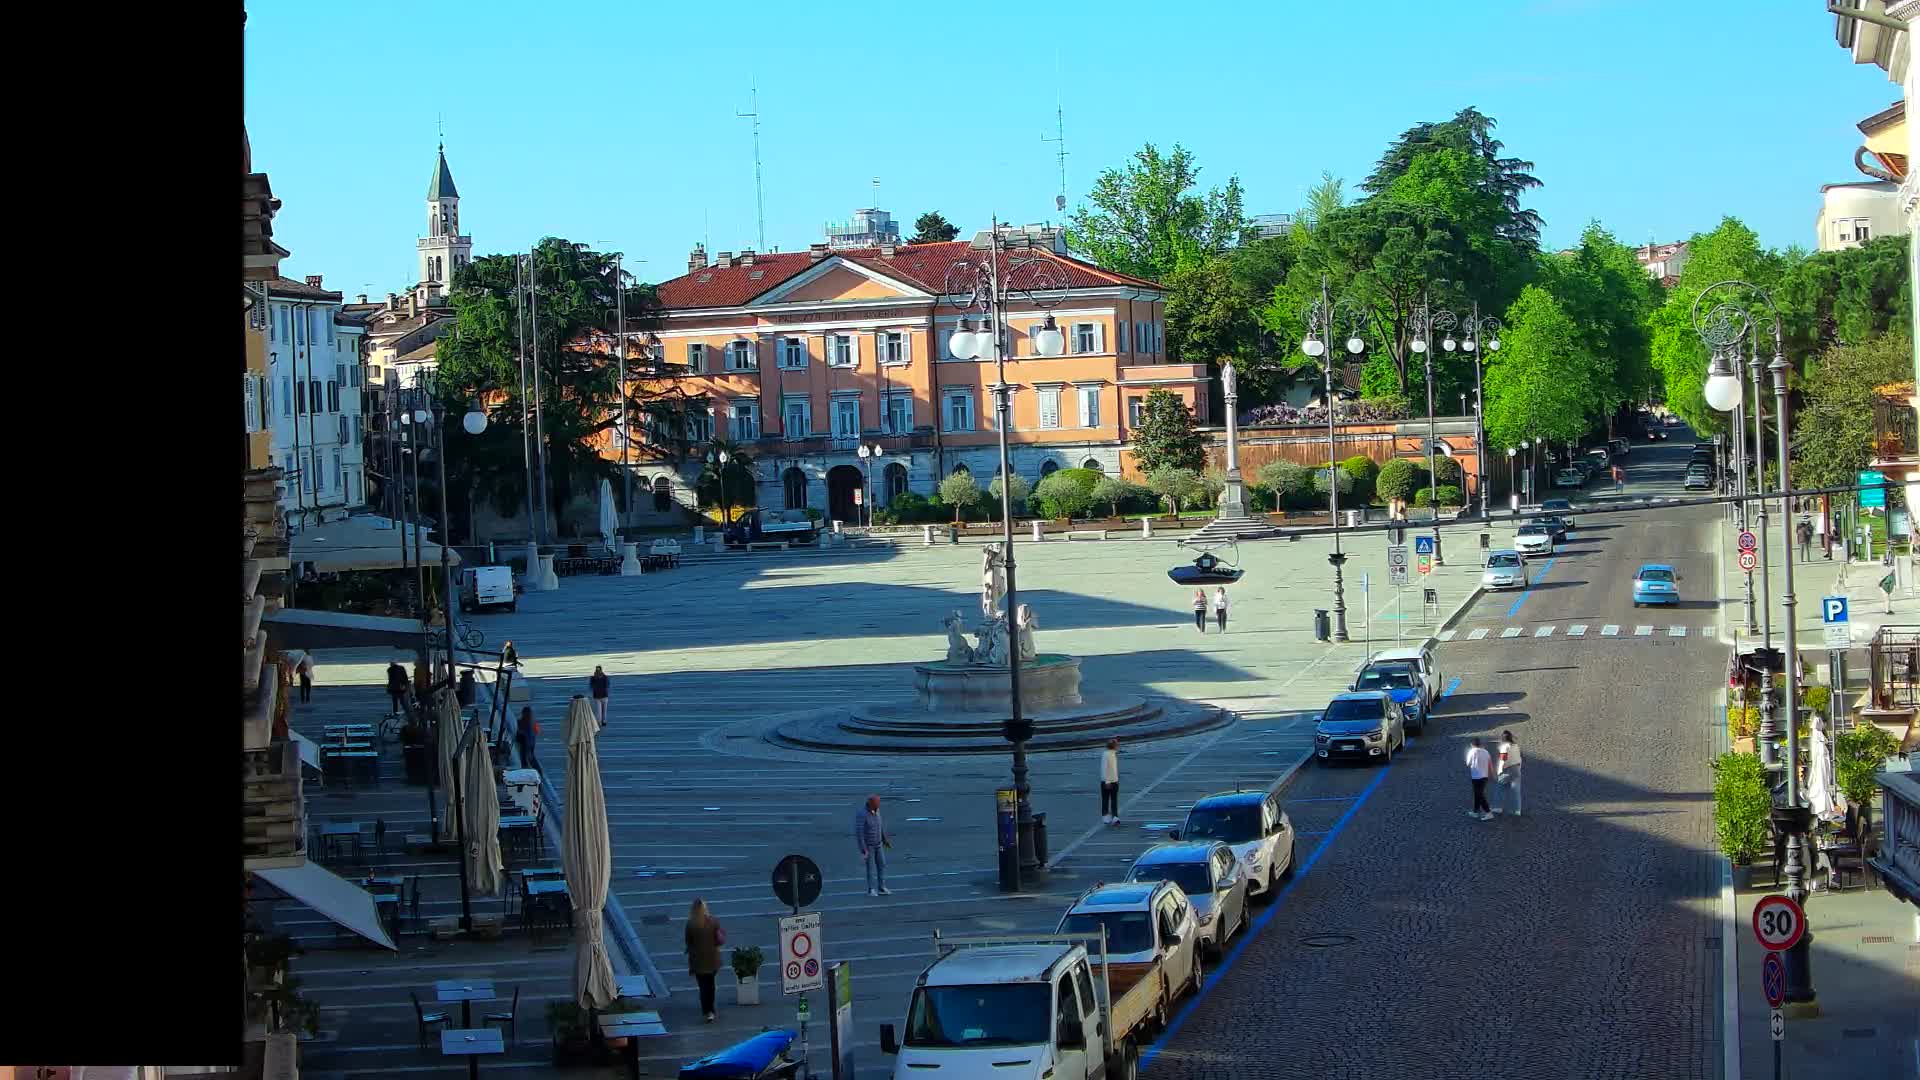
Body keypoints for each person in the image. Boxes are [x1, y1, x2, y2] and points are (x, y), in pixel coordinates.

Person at [685, 898, 724, 1023]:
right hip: (712, 959)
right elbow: (719, 939)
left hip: (698, 961)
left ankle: (707, 1011)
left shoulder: (690, 924)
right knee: (711, 985)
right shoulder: (713, 921)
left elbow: (688, 942)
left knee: (703, 986)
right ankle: (711, 1010)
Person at [854, 795, 891, 896]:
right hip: (869, 846)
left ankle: (881, 887)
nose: (879, 806)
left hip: (878, 844)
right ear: (871, 804)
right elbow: (859, 833)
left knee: (882, 864)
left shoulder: (877, 810)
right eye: (877, 804)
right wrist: (863, 849)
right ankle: (871, 889)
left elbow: (880, 825)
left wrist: (884, 839)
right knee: (870, 868)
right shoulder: (862, 814)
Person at [1489, 729, 1523, 817]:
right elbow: (1519, 758)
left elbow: (1503, 759)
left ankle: (1497, 807)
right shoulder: (1515, 745)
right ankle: (1517, 810)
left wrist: (1499, 771)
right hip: (1516, 769)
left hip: (1507, 770)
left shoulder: (1504, 746)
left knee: (1500, 787)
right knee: (1516, 790)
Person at [1465, 737, 1492, 821]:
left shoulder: (1471, 751)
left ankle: (1488, 812)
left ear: (1472, 744)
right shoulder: (1486, 752)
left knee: (1479, 795)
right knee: (1478, 794)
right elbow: (1489, 763)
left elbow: (1468, 763)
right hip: (1485, 776)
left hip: (1476, 776)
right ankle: (1475, 811)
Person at [1099, 739, 1121, 826]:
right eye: (1117, 745)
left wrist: (1116, 779)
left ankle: (1115, 817)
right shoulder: (1106, 754)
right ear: (1114, 746)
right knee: (1106, 799)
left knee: (1114, 800)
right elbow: (1104, 768)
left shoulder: (1113, 754)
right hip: (1107, 781)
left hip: (1114, 781)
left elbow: (1113, 769)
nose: (1118, 747)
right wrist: (1107, 781)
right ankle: (1105, 817)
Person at [515, 706, 540, 775]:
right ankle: (538, 772)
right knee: (531, 757)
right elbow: (537, 732)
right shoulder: (533, 723)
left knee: (526, 758)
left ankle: (529, 770)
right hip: (531, 744)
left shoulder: (520, 722)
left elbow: (517, 734)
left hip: (526, 745)